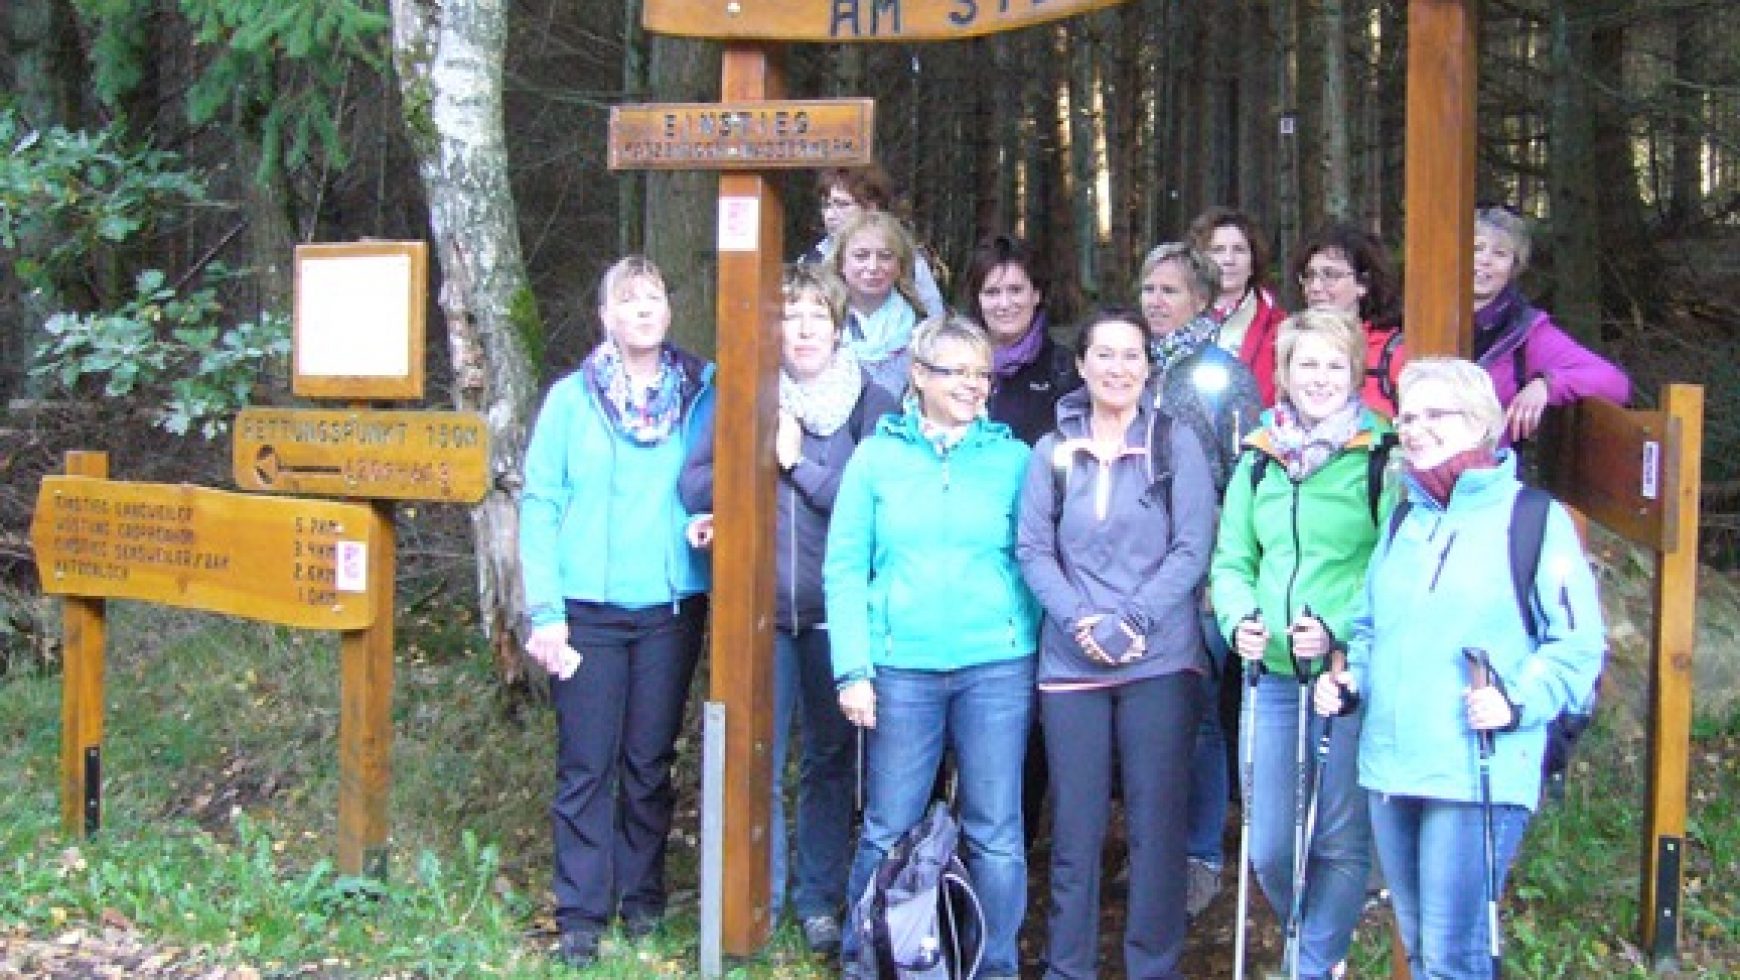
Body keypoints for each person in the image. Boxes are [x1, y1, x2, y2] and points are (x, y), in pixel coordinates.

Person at [1314, 357, 1606, 979]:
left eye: (1434, 414)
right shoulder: (1403, 517)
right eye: (1408, 416)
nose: (1415, 428)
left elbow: (1577, 645)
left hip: (1478, 768)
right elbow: (1369, 628)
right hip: (1392, 763)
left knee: (1453, 958)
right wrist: (1350, 680)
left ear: (1481, 423)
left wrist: (1516, 700)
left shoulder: (1532, 519)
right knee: (1424, 953)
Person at [677, 266, 898, 957]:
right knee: (758, 759)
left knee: (831, 763)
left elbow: (878, 508)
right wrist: (754, 461)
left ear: (839, 327)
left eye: (815, 317)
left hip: (839, 619)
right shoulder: (741, 393)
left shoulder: (872, 400)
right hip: (759, 613)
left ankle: (818, 901)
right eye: (789, 317)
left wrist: (798, 463)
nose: (801, 331)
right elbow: (693, 483)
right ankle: (756, 900)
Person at [826, 316, 1038, 980]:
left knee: (997, 833)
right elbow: (844, 567)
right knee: (889, 825)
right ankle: (867, 960)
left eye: (983, 373)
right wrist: (853, 670)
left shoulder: (1014, 459)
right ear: (919, 376)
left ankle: (993, 965)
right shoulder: (875, 458)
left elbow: (1035, 560)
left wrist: (1021, 637)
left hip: (995, 667)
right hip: (901, 668)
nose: (975, 386)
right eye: (958, 372)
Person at [519, 255, 714, 969]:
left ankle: (642, 901)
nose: (641, 310)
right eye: (627, 300)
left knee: (648, 763)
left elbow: (725, 473)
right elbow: (540, 503)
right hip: (585, 612)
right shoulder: (571, 400)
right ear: (605, 316)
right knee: (585, 765)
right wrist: (544, 610)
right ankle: (579, 913)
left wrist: (716, 517)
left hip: (669, 606)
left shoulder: (701, 392)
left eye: (653, 297)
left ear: (668, 310)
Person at [1015, 307, 1218, 979]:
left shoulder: (1174, 443)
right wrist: (1080, 621)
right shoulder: (1053, 451)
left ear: (1148, 367)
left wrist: (1134, 619)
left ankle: (1151, 965)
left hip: (1159, 658)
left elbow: (1193, 547)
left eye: (1132, 356)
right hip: (1072, 662)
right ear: (1081, 365)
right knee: (1074, 828)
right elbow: (1033, 549)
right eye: (1104, 354)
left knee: (1157, 825)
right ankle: (1067, 966)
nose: (1118, 367)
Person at [1210, 308, 1396, 980]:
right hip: (1273, 675)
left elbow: (1390, 563)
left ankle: (1315, 961)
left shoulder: (1381, 458)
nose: (1319, 378)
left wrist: (1340, 627)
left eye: (1334, 364)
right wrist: (1239, 621)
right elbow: (1231, 558)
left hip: (1340, 675)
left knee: (1339, 837)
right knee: (1270, 848)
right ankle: (1308, 934)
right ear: (1283, 373)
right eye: (1306, 364)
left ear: (1355, 372)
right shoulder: (1259, 458)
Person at [1137, 242, 1264, 919]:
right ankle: (1153, 850)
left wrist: (1228, 573)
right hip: (1137, 577)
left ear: (1202, 300)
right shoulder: (1134, 366)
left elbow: (1247, 481)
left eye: (1171, 291)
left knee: (1198, 722)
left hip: (1205, 580)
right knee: (1151, 720)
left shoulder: (1223, 377)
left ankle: (1199, 856)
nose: (1156, 302)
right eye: (1149, 289)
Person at [1471, 205, 1630, 444]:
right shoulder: (1418, 314)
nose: (1485, 261)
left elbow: (1615, 383)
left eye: (1500, 253)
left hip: (1487, 472)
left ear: (1514, 267)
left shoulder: (1525, 332)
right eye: (1476, 248)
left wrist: (1547, 385)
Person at [962, 233, 1082, 446]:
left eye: (1015, 290)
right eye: (992, 292)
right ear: (977, 300)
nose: (1004, 304)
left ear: (1036, 294)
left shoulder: (1066, 371)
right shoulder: (949, 366)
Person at [1288, 223, 1407, 418]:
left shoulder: (1394, 353)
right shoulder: (1293, 346)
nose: (1315, 287)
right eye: (1309, 276)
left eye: (1330, 275)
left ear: (1363, 284)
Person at [800, 164, 947, 318]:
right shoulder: (810, 261)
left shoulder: (908, 258)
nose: (830, 215)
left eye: (842, 205)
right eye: (826, 206)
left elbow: (934, 320)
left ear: (871, 207)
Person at [1189, 207, 1289, 406]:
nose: (1228, 260)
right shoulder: (1178, 320)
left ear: (1253, 262)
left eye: (1239, 250)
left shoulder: (1281, 327)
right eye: (1217, 250)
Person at [827, 210, 925, 397]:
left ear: (900, 266)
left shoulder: (921, 331)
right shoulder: (821, 322)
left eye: (885, 256)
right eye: (861, 255)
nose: (873, 267)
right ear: (841, 263)